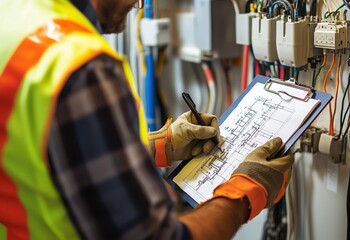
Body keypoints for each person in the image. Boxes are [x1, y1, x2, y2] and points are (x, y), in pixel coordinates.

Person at [0, 0, 294, 239]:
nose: (139, 6)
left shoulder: (17, 20)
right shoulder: (82, 69)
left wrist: (159, 145)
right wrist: (244, 192)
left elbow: (41, 149)